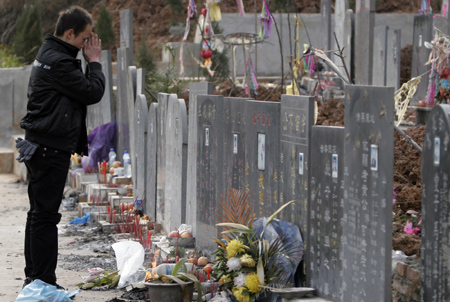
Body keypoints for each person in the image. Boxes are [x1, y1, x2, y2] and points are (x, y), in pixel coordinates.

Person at [17, 6, 105, 289]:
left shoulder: (49, 53)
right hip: (48, 147)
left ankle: (35, 279)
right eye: (84, 39)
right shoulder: (59, 62)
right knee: (45, 217)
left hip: (41, 143)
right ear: (70, 33)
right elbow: (92, 92)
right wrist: (94, 62)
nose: (86, 45)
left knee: (38, 215)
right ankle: (42, 281)